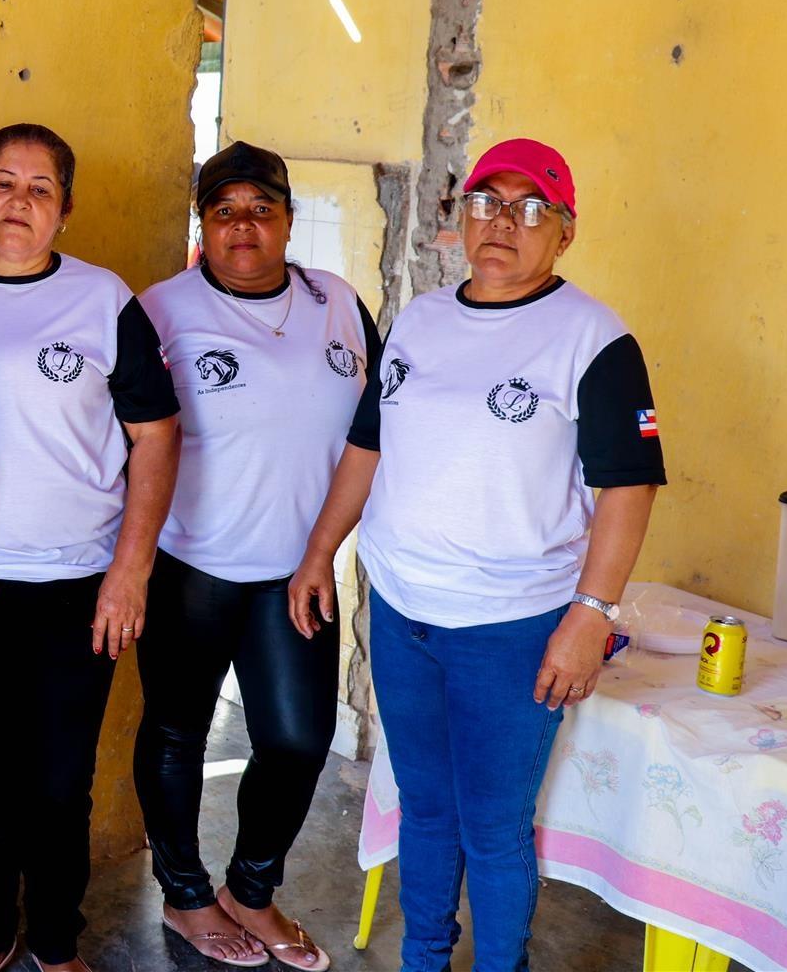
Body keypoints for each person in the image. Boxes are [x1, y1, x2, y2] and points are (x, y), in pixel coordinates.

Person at [289, 138, 664, 972]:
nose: (503, 223)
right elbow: (368, 444)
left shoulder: (594, 340)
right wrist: (321, 551)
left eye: (531, 209)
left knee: (494, 828)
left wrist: (589, 617)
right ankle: (424, 957)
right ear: (462, 219)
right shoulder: (420, 320)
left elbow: (628, 489)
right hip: (403, 615)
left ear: (565, 231)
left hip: (512, 628)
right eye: (487, 203)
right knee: (426, 808)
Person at [0, 124, 182, 972]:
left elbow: (157, 437)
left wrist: (129, 573)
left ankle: (57, 944)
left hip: (73, 588)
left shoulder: (103, 300)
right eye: (3, 182)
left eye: (40, 188)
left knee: (60, 784)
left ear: (65, 209)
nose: (19, 201)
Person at [135, 142, 378, 970]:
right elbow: (122, 439)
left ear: (287, 219)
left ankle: (251, 889)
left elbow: (377, 428)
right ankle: (185, 896)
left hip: (297, 570)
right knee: (177, 732)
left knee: (298, 739)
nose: (243, 225)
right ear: (203, 222)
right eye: (224, 210)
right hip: (190, 566)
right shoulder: (160, 310)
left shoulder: (337, 302)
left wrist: (333, 546)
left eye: (261, 209)